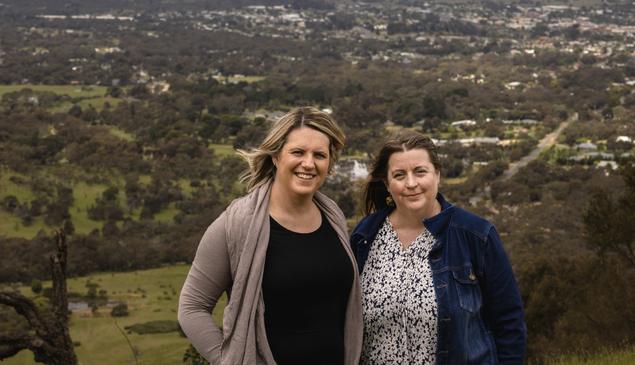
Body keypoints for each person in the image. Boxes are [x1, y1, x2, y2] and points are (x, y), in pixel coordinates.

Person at [178, 107, 362, 365]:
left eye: (319, 155)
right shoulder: (236, 224)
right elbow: (191, 307)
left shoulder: (333, 217)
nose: (308, 163)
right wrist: (229, 360)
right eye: (298, 152)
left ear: (329, 162)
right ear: (276, 156)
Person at [350, 132, 526, 365]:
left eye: (420, 172)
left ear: (437, 174)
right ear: (387, 183)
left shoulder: (476, 235)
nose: (411, 183)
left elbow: (509, 322)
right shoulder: (365, 236)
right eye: (399, 175)